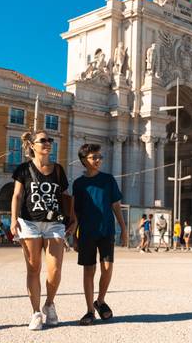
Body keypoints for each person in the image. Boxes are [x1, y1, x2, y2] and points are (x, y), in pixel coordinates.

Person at [10, 130, 76, 331]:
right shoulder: (23, 169)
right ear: (32, 145)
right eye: (43, 141)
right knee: (33, 268)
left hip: (55, 222)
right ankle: (36, 312)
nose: (48, 143)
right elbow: (17, 196)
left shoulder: (58, 169)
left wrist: (72, 219)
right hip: (29, 222)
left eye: (50, 140)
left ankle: (49, 303)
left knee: (55, 270)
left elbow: (65, 196)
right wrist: (13, 219)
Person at [72, 143, 127, 326]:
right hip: (87, 232)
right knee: (89, 270)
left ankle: (100, 301)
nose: (98, 160)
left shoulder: (108, 179)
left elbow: (116, 206)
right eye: (94, 157)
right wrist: (75, 236)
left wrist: (124, 229)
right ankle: (89, 310)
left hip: (106, 230)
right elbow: (76, 213)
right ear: (83, 160)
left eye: (99, 157)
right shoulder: (79, 184)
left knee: (107, 268)